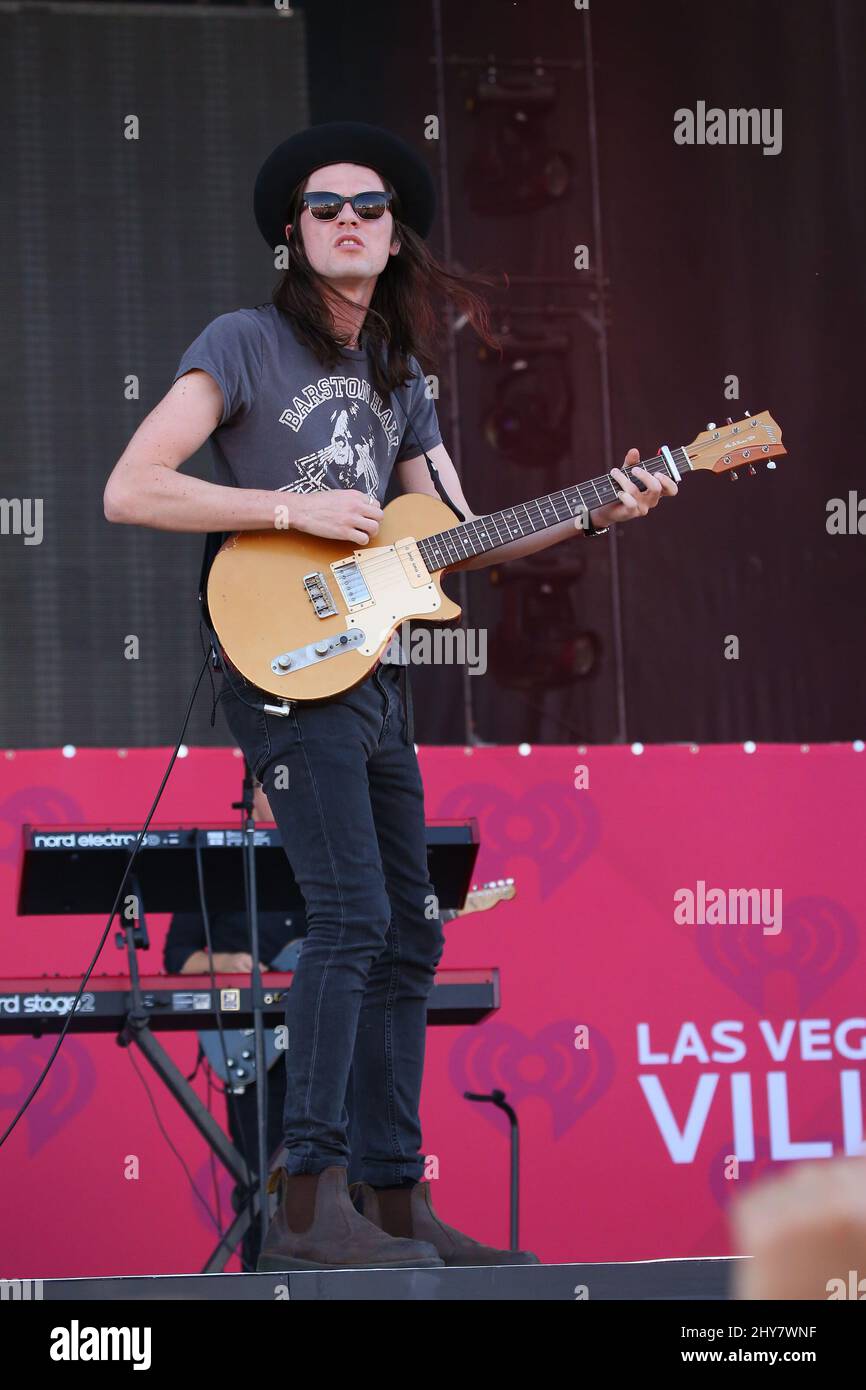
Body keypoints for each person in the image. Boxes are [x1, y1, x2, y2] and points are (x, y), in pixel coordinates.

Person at [104, 120, 677, 1271]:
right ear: (292, 231)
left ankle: (390, 1195)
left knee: (410, 926)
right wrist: (286, 509)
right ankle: (304, 1199)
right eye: (326, 207)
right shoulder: (242, 342)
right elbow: (132, 488)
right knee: (351, 918)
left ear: (393, 231)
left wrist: (596, 506)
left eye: (370, 205)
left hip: (372, 674)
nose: (351, 219)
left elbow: (457, 539)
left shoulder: (398, 375)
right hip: (281, 667)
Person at [163, 785, 305, 1271]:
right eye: (270, 782)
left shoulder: (324, 858)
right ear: (252, 795)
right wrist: (227, 960)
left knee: (327, 1173)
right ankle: (260, 1277)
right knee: (262, 1180)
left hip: (315, 1043)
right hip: (251, 1048)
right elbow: (176, 957)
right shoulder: (218, 864)